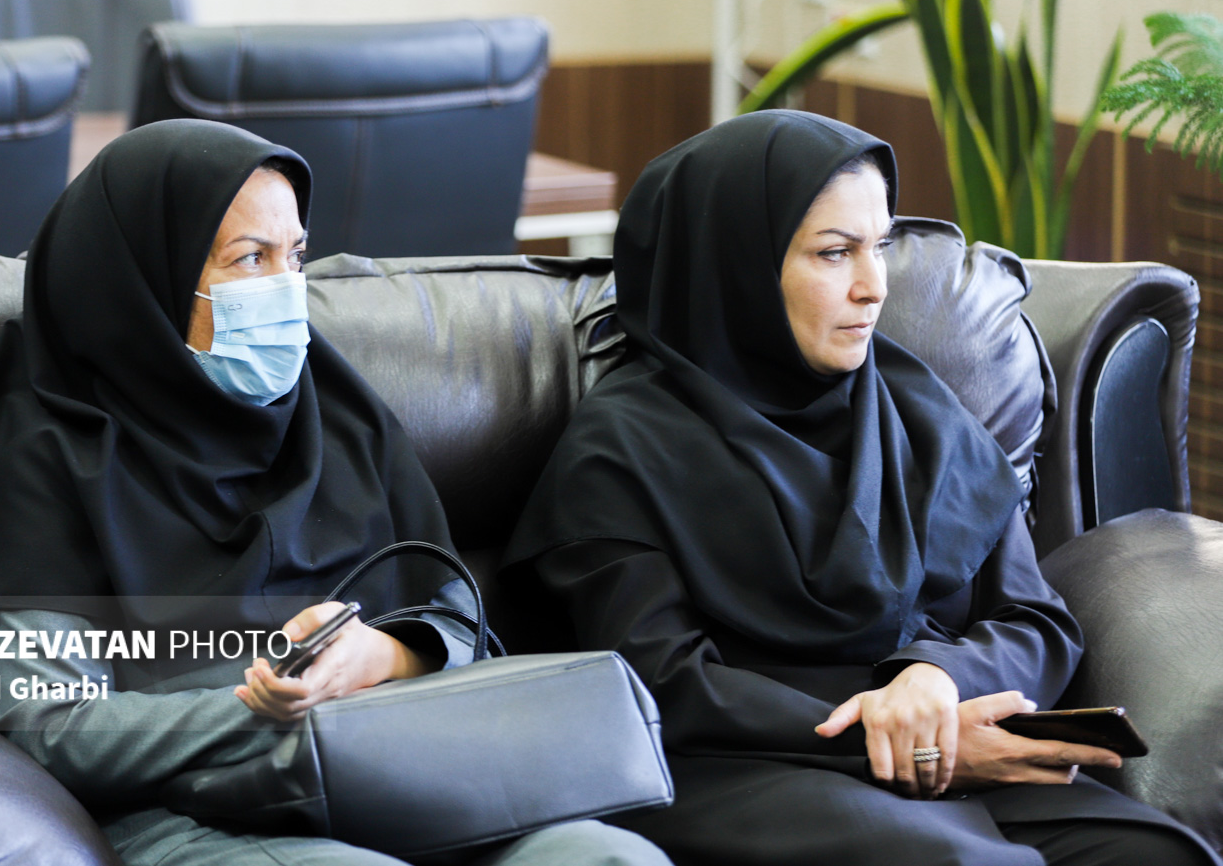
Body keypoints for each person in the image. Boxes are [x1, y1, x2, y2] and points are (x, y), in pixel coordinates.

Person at [0, 119, 670, 866]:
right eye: (250, 258)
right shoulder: (43, 448)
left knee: (607, 854)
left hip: (414, 776)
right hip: (201, 811)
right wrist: (276, 714)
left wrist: (384, 655)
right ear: (143, 282)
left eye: (295, 256)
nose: (284, 291)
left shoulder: (333, 413)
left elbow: (460, 621)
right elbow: (52, 721)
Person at [501, 110, 1221, 866]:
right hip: (752, 769)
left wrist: (935, 677)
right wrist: (899, 739)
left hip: (953, 746)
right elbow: (662, 684)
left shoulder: (919, 410)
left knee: (1150, 854)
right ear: (735, 269)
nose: (873, 287)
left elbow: (1036, 619)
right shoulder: (619, 448)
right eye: (834, 253)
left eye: (879, 246)